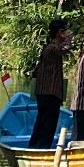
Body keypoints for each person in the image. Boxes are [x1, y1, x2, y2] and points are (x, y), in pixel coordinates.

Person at [29, 18, 72, 149]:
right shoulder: (53, 48)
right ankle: (41, 149)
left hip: (46, 92)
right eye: (65, 31)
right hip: (49, 92)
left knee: (42, 122)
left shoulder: (50, 47)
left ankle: (35, 146)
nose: (68, 33)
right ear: (60, 32)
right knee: (48, 124)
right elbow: (64, 49)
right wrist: (69, 39)